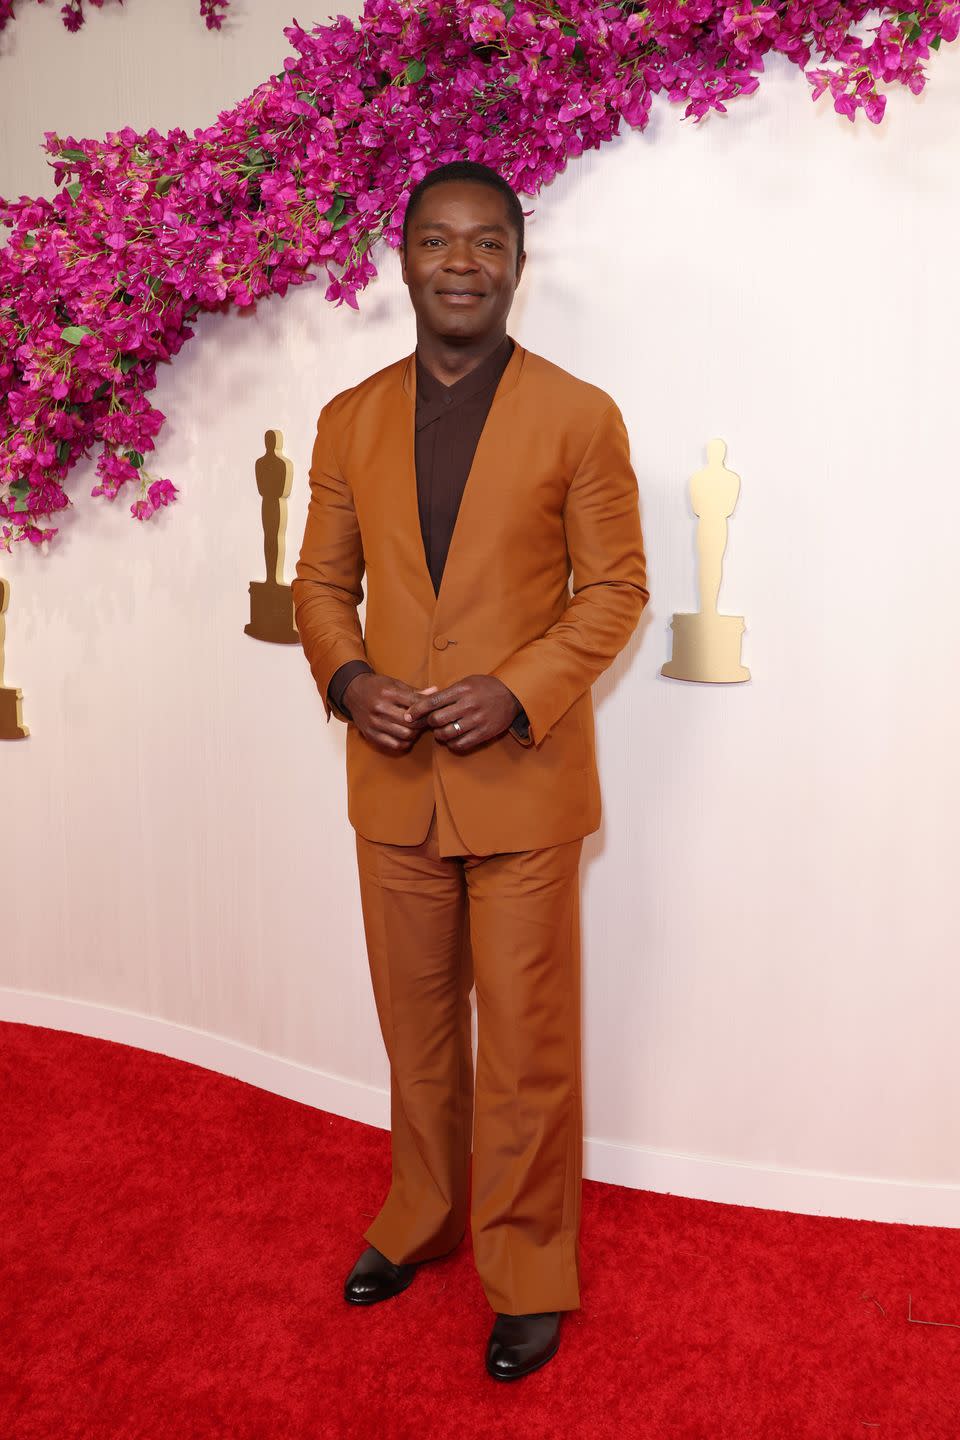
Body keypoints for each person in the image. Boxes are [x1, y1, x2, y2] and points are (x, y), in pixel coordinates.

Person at [292, 159, 649, 1381]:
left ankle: (531, 1264)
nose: (461, 261)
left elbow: (615, 592)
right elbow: (319, 589)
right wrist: (348, 682)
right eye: (437, 240)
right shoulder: (347, 419)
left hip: (525, 784)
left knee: (529, 1044)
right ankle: (423, 1216)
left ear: (516, 263)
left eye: (485, 242)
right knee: (418, 1032)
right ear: (400, 257)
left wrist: (521, 690)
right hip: (390, 783)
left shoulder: (580, 415)